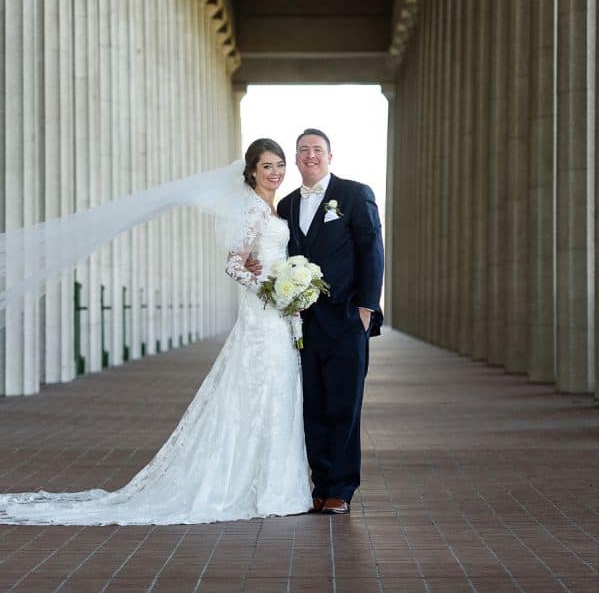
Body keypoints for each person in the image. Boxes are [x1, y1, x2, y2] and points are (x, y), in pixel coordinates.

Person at [0, 139, 312, 525]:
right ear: (251, 171)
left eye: (280, 165)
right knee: (261, 389)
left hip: (277, 318)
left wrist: (288, 290)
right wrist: (276, 289)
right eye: (267, 166)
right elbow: (233, 265)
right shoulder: (252, 210)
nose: (275, 172)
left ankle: (274, 485)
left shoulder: (271, 208)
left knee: (275, 392)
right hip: (264, 316)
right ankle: (259, 488)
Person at [277, 129, 384, 515]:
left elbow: (371, 248)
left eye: (317, 150)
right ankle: (319, 484)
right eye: (303, 150)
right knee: (312, 405)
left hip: (345, 318)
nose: (310, 156)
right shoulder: (287, 204)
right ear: (296, 158)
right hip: (303, 324)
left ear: (330, 156)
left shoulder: (355, 194)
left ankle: (341, 487)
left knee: (344, 404)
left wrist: (367, 307)